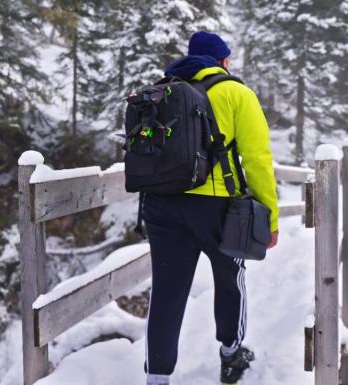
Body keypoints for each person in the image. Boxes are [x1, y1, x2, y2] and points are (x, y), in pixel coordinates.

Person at [143, 31, 279, 385]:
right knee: (230, 280)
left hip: (161, 205)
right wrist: (270, 218)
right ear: (220, 60)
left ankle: (157, 378)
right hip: (217, 207)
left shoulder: (162, 91)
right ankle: (232, 356)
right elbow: (258, 160)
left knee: (167, 292)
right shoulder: (235, 92)